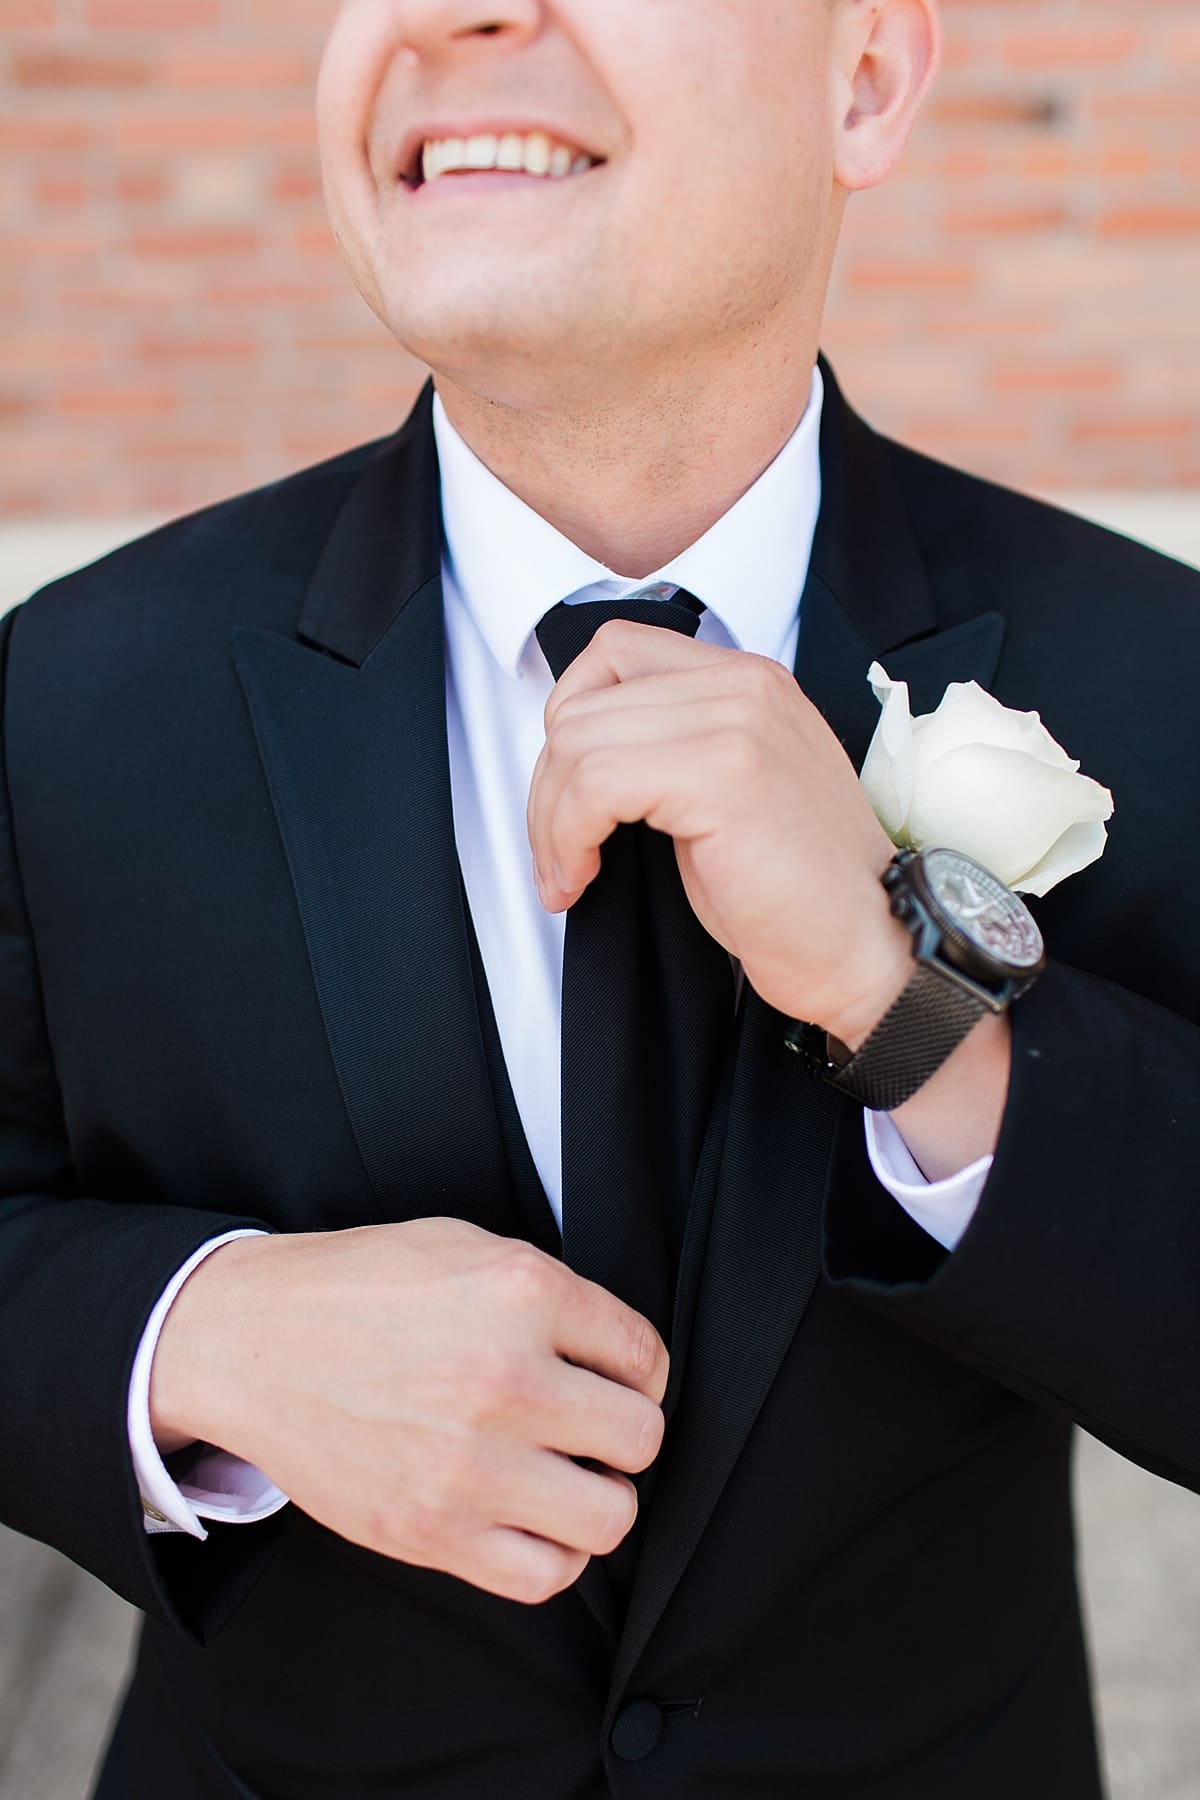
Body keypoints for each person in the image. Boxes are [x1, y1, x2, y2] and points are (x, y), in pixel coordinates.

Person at [1, 0, 1198, 1794]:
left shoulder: (1153, 675)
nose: (447, 16)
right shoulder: (69, 697)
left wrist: (911, 1006)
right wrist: (194, 1341)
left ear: (864, 79)